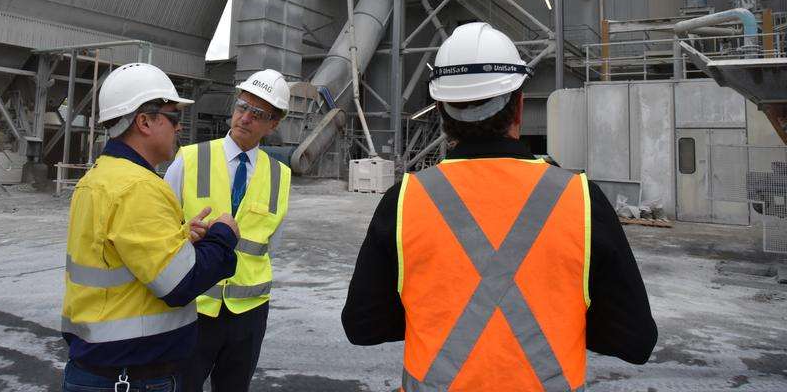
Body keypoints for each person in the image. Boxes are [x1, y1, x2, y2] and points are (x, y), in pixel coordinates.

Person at [341, 23, 658, 391]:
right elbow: (635, 340)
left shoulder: (404, 199)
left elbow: (362, 325)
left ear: (442, 112)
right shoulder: (581, 198)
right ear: (520, 105)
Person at [61, 62, 240, 392]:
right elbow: (181, 285)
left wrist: (181, 239)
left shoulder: (99, 178)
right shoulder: (139, 188)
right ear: (144, 121)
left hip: (99, 367)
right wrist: (223, 235)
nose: (179, 129)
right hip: (132, 377)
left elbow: (120, 256)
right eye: (174, 118)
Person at [164, 69, 293, 392]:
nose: (245, 118)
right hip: (194, 304)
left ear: (273, 123)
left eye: (258, 113)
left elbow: (268, 244)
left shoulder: (280, 175)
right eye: (241, 107)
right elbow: (160, 229)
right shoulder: (189, 158)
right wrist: (183, 233)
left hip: (248, 313)